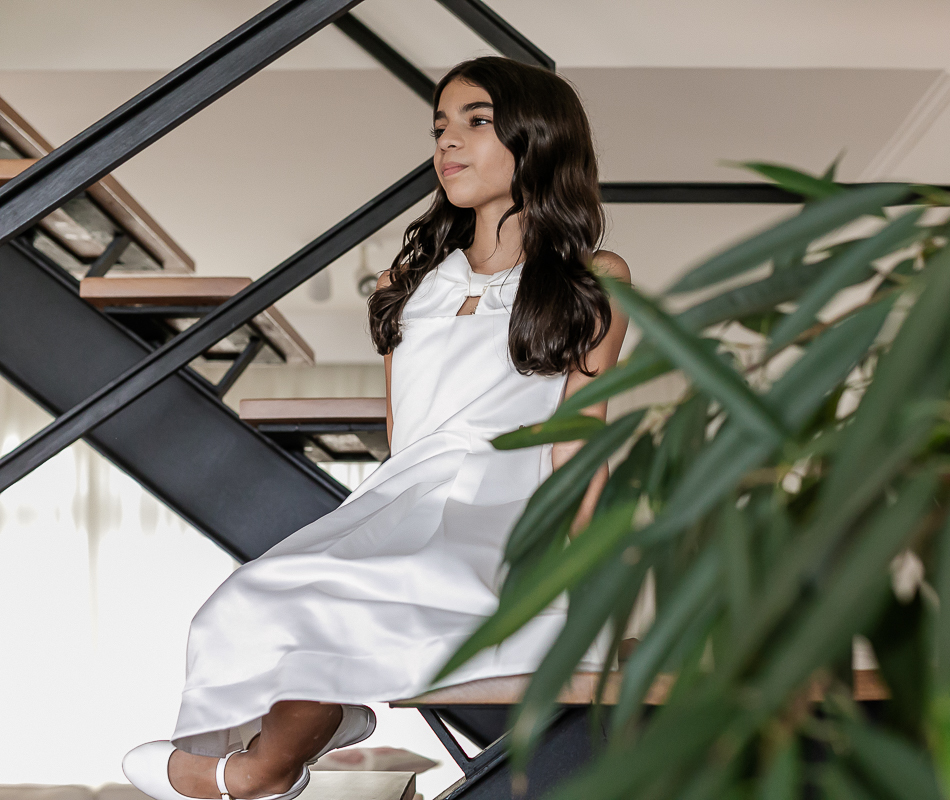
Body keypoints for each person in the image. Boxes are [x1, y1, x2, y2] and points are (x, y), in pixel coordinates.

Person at [121, 55, 631, 800]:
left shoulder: (595, 279)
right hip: (409, 492)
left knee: (355, 594)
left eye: (477, 122)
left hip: (512, 509)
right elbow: (405, 439)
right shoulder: (405, 284)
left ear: (538, 138)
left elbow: (578, 445)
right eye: (440, 126)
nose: (448, 141)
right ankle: (272, 761)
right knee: (262, 592)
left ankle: (260, 770)